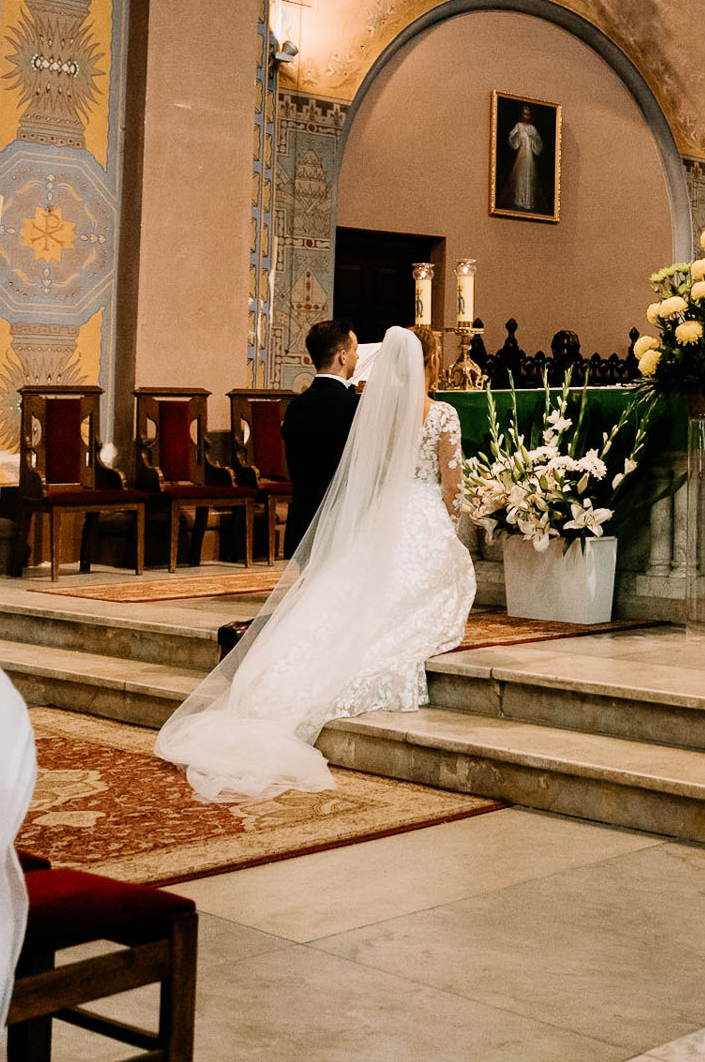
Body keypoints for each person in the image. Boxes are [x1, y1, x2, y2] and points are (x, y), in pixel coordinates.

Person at [159, 326, 474, 803]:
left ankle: (283, 675)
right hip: (422, 510)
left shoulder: (372, 412)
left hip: (379, 515)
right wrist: (450, 524)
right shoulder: (442, 414)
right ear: (430, 363)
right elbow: (452, 483)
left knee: (344, 597)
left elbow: (375, 475)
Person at [282, 319, 359, 559]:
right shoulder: (353, 406)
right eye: (355, 350)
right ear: (343, 356)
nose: (357, 357)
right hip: (341, 522)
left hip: (303, 519)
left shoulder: (295, 406)